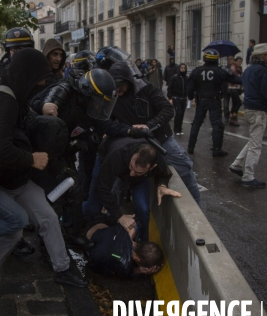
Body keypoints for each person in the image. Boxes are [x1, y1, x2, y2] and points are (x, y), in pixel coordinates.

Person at [0, 48, 81, 298]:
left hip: (18, 179)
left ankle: (63, 269)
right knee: (14, 228)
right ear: (26, 76)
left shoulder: (16, 99)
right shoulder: (5, 102)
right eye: (39, 78)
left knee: (48, 218)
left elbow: (30, 117)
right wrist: (31, 159)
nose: (42, 83)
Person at [30, 69, 146, 249]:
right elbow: (37, 116)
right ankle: (46, 242)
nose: (100, 106)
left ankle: (71, 234)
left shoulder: (88, 107)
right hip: (42, 154)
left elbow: (104, 124)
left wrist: (130, 130)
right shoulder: (63, 93)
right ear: (88, 93)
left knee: (73, 190)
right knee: (54, 197)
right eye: (99, 101)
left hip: (62, 151)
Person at [109, 61, 202, 205]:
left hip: (160, 137)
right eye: (114, 84)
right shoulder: (111, 96)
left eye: (121, 84)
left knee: (184, 167)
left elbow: (168, 110)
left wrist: (148, 126)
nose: (117, 88)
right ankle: (112, 214)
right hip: (134, 142)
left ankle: (198, 208)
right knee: (118, 180)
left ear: (129, 80)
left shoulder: (146, 88)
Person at [84, 139, 180, 243]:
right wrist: (120, 216)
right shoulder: (117, 155)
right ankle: (77, 220)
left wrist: (162, 186)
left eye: (138, 171)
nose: (132, 174)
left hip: (139, 178)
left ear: (152, 167)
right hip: (108, 160)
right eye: (132, 167)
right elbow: (102, 188)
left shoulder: (160, 158)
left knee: (143, 209)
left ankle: (142, 243)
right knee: (94, 207)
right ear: (134, 155)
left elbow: (164, 173)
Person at [228, 44, 267, 188]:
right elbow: (266, 92)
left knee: (253, 140)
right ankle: (248, 177)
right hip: (258, 110)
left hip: (249, 107)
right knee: (256, 145)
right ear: (263, 56)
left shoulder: (249, 69)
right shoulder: (265, 70)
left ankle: (237, 164)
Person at [186, 49, 242, 157]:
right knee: (217, 124)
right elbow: (235, 79)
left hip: (201, 100)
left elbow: (190, 87)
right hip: (214, 100)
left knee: (196, 124)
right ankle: (216, 149)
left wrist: (190, 96)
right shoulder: (220, 70)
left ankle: (190, 147)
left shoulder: (197, 71)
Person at [85, 215, 164, 277]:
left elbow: (137, 221)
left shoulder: (134, 228)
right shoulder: (124, 264)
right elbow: (125, 273)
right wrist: (139, 270)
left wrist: (130, 235)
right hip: (88, 246)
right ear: (137, 259)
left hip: (96, 225)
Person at [167, 63, 189, 135]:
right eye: (181, 68)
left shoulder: (186, 78)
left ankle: (180, 128)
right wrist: (170, 97)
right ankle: (176, 129)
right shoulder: (175, 77)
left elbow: (189, 87)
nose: (183, 69)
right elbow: (170, 88)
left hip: (184, 98)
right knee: (178, 113)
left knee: (182, 114)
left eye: (184, 68)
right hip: (176, 98)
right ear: (179, 68)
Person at [227, 59, 244, 127]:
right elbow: (234, 77)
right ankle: (234, 117)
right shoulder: (233, 68)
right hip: (232, 88)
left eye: (241, 62)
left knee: (235, 103)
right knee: (238, 103)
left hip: (237, 88)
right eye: (239, 61)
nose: (240, 63)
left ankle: (232, 118)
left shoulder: (239, 68)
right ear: (235, 61)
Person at [222, 55, 236, 123]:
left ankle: (233, 116)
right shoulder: (225, 68)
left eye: (232, 59)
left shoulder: (235, 68)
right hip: (226, 88)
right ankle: (226, 116)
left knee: (235, 102)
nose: (231, 61)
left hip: (234, 88)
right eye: (229, 59)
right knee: (226, 104)